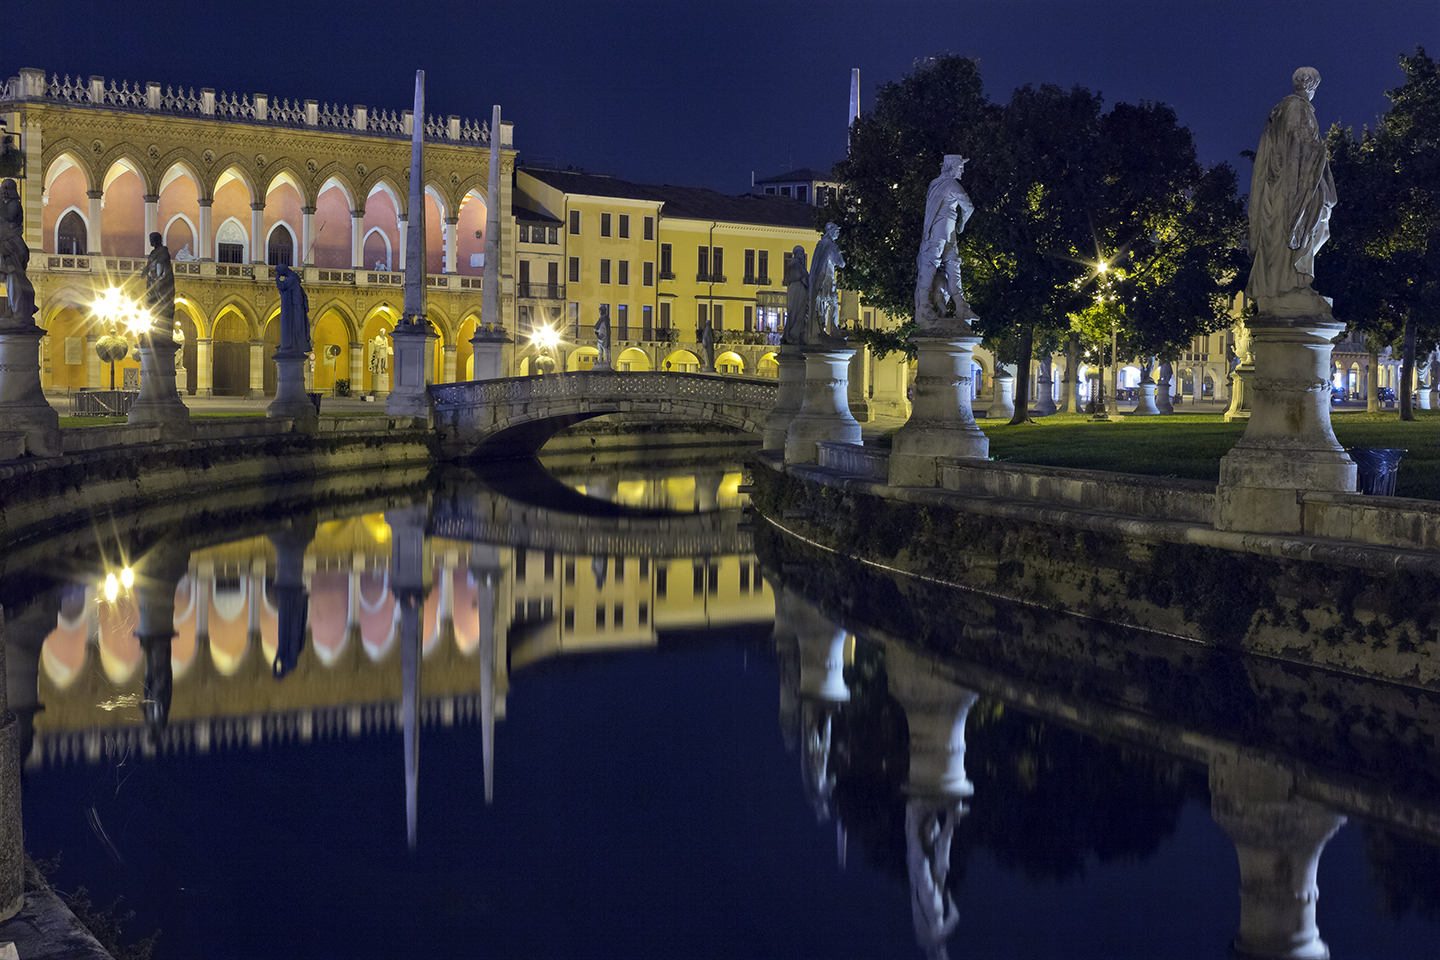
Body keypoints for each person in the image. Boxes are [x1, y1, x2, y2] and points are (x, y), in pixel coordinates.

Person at [1246, 67, 1336, 318]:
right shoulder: (1299, 108)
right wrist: (1322, 153)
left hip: (1277, 188)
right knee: (1304, 225)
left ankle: (1285, 285)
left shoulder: (1279, 110)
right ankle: (1292, 284)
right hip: (1293, 187)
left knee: (1282, 236)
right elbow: (1304, 146)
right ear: (1313, 86)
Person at [915, 155, 977, 329]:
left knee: (933, 267)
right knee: (951, 266)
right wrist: (962, 224)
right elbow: (969, 207)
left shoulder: (934, 184)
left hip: (936, 232)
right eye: (960, 166)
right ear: (951, 167)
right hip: (947, 233)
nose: (962, 170)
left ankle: (926, 306)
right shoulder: (952, 184)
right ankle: (959, 306)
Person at [0, 178, 36, 324]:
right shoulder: (8, 204)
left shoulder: (14, 205)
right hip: (8, 245)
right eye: (3, 188)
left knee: (15, 278)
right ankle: (15, 309)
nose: (3, 192)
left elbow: (6, 218)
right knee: (11, 280)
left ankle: (20, 313)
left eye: (5, 189)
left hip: (14, 246)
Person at [808, 222, 846, 343]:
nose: (838, 233)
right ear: (831, 232)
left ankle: (821, 329)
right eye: (836, 231)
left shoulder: (820, 245)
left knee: (822, 305)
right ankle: (833, 329)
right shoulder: (831, 245)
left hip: (819, 280)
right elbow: (840, 262)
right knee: (833, 302)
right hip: (827, 279)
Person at [274, 264, 312, 357]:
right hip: (293, 305)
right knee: (292, 325)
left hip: (296, 306)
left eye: (280, 273)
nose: (280, 275)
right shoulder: (292, 277)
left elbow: (282, 286)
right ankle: (289, 344)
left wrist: (277, 278)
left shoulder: (292, 279)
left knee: (296, 326)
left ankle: (294, 345)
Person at [143, 232, 176, 334]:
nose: (150, 242)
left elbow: (162, 267)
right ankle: (153, 324)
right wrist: (145, 271)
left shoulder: (163, 251)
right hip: (153, 282)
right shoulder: (153, 253)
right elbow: (149, 264)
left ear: (156, 240)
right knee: (150, 303)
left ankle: (161, 326)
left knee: (162, 304)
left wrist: (159, 279)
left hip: (161, 282)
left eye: (151, 240)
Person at [782, 245, 809, 345]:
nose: (803, 255)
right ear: (797, 253)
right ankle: (791, 335)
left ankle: (796, 335)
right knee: (794, 312)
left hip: (800, 289)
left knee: (800, 313)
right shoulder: (794, 264)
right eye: (802, 253)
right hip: (796, 289)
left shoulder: (799, 264)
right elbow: (797, 276)